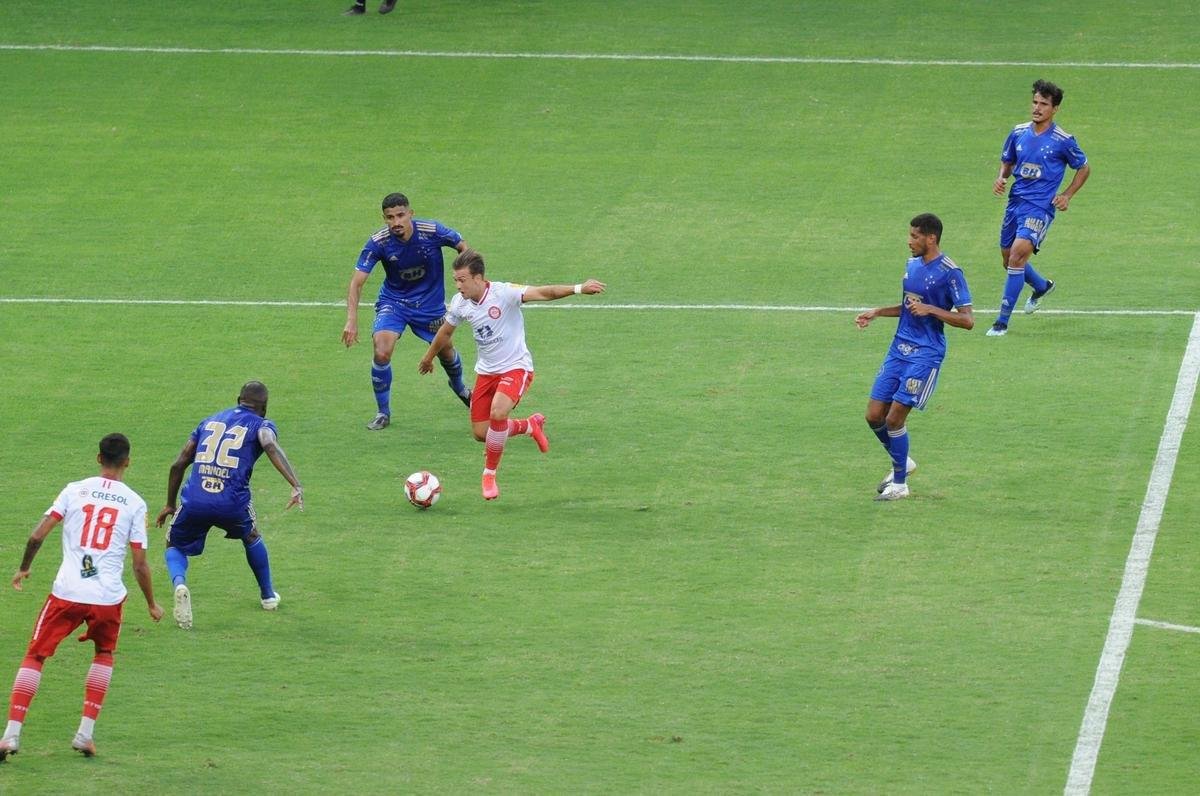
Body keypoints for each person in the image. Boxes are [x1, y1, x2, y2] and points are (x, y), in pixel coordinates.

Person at [0, 434, 163, 762]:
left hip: (67, 592)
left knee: (35, 656)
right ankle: (85, 734)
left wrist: (24, 568)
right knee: (103, 653)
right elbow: (140, 563)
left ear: (97, 457)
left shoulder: (74, 490)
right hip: (107, 597)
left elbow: (37, 534)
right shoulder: (134, 503)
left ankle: (10, 736)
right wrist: (151, 603)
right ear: (127, 462)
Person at [418, 249, 606, 500]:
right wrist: (429, 357)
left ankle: (489, 474)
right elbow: (445, 332)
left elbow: (543, 292)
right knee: (481, 433)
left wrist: (579, 288)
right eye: (455, 280)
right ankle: (529, 425)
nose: (458, 285)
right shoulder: (461, 303)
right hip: (486, 372)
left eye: (462, 280)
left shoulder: (504, 293)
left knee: (498, 412)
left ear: (478, 278)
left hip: (516, 367)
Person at [155, 381, 303, 630]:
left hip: (196, 499)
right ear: (264, 407)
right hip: (232, 501)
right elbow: (268, 443)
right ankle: (268, 596)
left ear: (238, 399)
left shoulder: (208, 422)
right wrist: (295, 483)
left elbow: (178, 464)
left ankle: (179, 582)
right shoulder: (262, 425)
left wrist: (170, 504)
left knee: (174, 544)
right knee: (251, 535)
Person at [856, 214, 974, 501]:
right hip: (899, 348)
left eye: (914, 237)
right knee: (874, 416)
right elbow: (909, 307)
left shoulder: (951, 272)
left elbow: (968, 320)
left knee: (895, 418)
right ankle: (904, 462)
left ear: (930, 238)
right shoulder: (911, 266)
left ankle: (900, 484)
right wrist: (878, 312)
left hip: (926, 353)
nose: (909, 242)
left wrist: (933, 310)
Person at [343, 192, 473, 430]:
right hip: (395, 303)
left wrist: (467, 278)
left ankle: (460, 388)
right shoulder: (379, 242)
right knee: (381, 352)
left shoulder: (431, 231)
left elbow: (463, 246)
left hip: (430, 306)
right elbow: (356, 282)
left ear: (410, 214)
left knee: (446, 353)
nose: (396, 222)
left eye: (401, 215)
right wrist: (351, 321)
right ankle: (383, 412)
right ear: (384, 219)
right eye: (390, 217)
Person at [987, 79, 1090, 337]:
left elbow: (1084, 167)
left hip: (1040, 208)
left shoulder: (1063, 140)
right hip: (1015, 203)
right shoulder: (1018, 132)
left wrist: (1067, 195)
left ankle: (1001, 322)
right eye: (1035, 102)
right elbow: (1007, 161)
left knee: (1017, 256)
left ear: (1055, 109)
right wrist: (1001, 177)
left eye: (1043, 104)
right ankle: (1041, 286)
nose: (1037, 108)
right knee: (1007, 258)